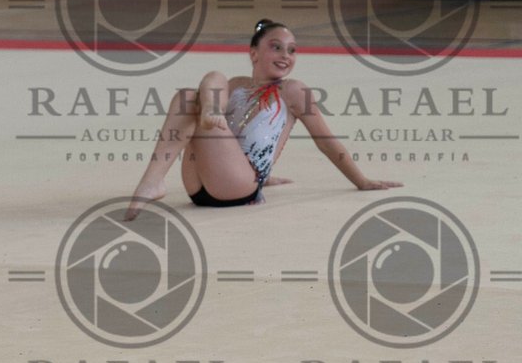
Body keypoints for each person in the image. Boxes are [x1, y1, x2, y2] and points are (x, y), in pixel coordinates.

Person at [123, 19, 401, 220]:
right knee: (193, 92)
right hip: (199, 184)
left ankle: (205, 117)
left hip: (240, 186)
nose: (286, 56)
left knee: (201, 90)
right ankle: (153, 179)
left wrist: (361, 180)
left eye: (292, 50)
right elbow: (236, 141)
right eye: (276, 47)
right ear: (254, 53)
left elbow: (326, 142)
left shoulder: (293, 90)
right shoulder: (235, 84)